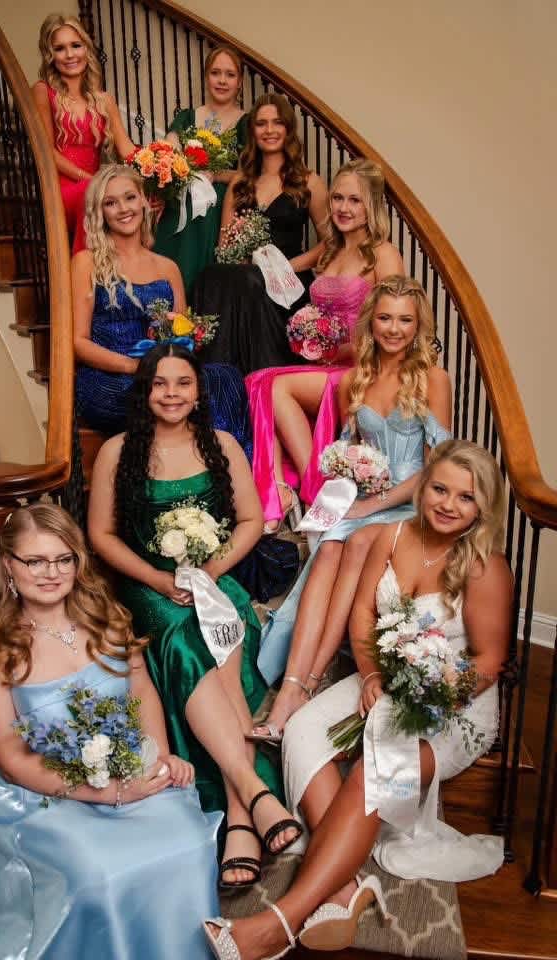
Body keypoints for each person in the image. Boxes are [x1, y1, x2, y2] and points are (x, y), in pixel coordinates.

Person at [203, 439, 511, 959]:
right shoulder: (392, 534)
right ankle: (344, 887)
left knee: (376, 771)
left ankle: (278, 922)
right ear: (424, 486)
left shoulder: (485, 567)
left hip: (453, 706)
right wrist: (369, 676)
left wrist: (428, 695)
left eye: (466, 497)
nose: (448, 504)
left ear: (483, 507)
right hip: (385, 679)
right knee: (302, 731)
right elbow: (364, 617)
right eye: (439, 489)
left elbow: (488, 663)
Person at [0, 503, 221, 959]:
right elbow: (13, 760)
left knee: (190, 840)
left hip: (127, 768)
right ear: (8, 565)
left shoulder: (108, 620)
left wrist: (156, 757)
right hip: (40, 798)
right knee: (98, 874)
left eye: (63, 559)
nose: (51, 572)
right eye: (35, 561)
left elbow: (140, 691)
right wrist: (109, 793)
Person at [87, 344, 303, 889]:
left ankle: (240, 815)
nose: (172, 394)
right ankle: (253, 794)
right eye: (160, 384)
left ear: (198, 391)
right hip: (151, 586)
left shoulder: (222, 445)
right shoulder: (117, 451)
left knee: (221, 622)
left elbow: (250, 521)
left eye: (182, 383)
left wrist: (212, 570)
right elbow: (101, 536)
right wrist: (159, 579)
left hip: (212, 575)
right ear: (145, 392)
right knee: (185, 636)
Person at [253, 276, 452, 739]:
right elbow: (349, 455)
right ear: (371, 322)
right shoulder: (354, 380)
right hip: (367, 499)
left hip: (411, 504)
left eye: (405, 320)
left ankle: (310, 680)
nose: (394, 329)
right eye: (385, 318)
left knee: (358, 541)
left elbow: (437, 469)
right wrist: (347, 490)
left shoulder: (433, 379)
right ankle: (292, 690)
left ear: (419, 325)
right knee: (327, 548)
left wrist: (372, 505)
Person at [246, 159, 405, 533]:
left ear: (371, 207)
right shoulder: (329, 250)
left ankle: (314, 490)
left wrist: (342, 348)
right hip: (328, 363)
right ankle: (281, 490)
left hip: (362, 366)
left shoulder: (382, 253)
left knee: (276, 387)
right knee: (256, 380)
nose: (343, 208)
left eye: (355, 200)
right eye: (337, 198)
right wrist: (307, 332)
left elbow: (396, 321)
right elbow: (281, 270)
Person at [73, 164, 252, 456]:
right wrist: (133, 366)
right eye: (110, 202)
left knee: (225, 378)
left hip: (163, 372)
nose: (123, 209)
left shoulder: (168, 268)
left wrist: (185, 337)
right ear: (100, 212)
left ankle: (223, 472)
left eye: (130, 197)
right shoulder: (86, 262)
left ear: (144, 201)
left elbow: (184, 339)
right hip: (109, 378)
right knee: (159, 395)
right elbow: (79, 342)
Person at [192, 93, 329, 374]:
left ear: (289, 129)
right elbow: (224, 246)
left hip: (287, 284)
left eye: (277, 122)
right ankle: (217, 380)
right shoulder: (241, 183)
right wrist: (240, 254)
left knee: (250, 281)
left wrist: (290, 266)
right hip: (246, 278)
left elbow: (332, 241)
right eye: (261, 123)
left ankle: (262, 380)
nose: (269, 130)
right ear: (252, 131)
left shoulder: (308, 181)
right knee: (212, 274)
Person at [33, 13, 135, 253]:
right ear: (50, 55)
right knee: (93, 193)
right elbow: (47, 152)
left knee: (135, 197)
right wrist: (90, 179)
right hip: (60, 189)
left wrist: (158, 167)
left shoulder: (104, 100)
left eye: (76, 45)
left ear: (86, 48)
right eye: (60, 49)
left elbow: (127, 150)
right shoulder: (43, 91)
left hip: (94, 185)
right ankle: (85, 271)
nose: (70, 55)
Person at [153, 45, 248, 295]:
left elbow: (249, 174)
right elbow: (168, 151)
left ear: (240, 82)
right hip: (180, 204)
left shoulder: (246, 123)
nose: (222, 80)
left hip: (217, 211)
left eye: (230, 74)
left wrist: (216, 175)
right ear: (206, 77)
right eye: (216, 73)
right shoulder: (187, 117)